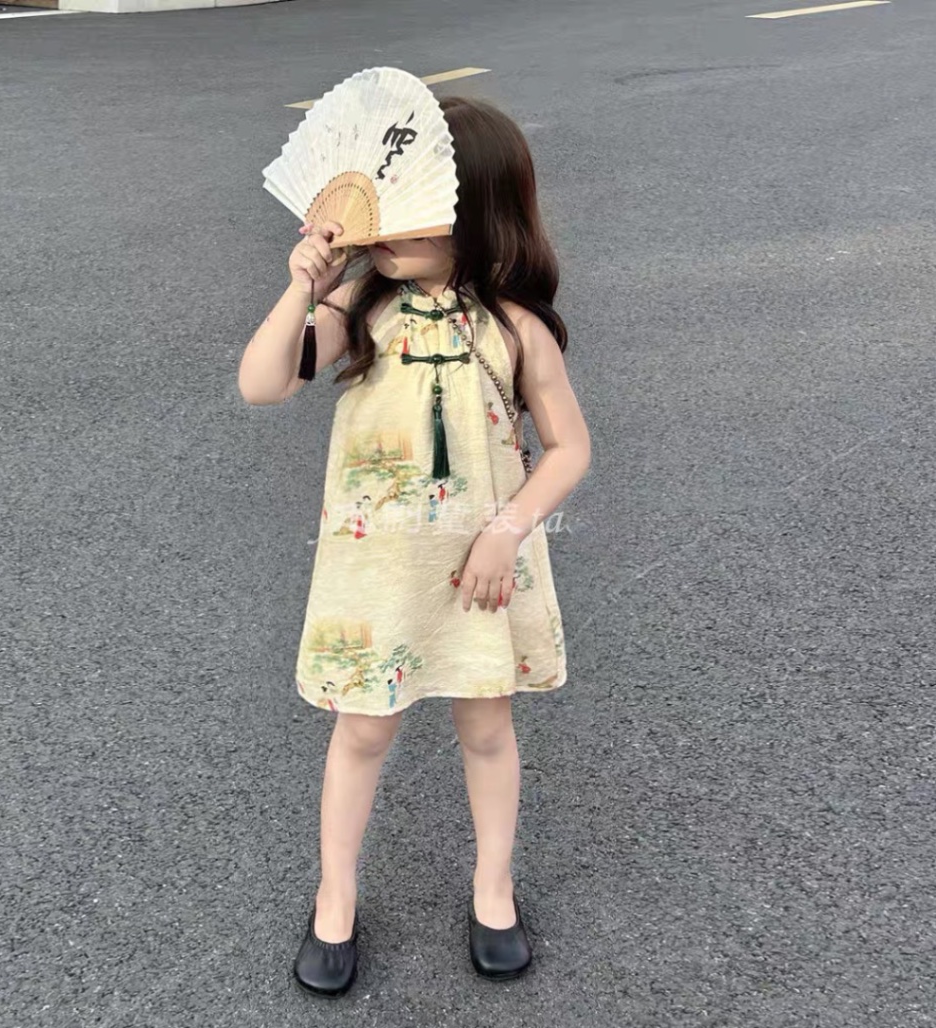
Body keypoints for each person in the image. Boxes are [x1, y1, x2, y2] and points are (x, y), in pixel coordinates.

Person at [239, 95, 591, 997]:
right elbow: (262, 384)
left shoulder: (513, 325)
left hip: (483, 569)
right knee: (362, 730)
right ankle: (336, 891)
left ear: (476, 211)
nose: (386, 226)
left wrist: (506, 533)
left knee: (487, 727)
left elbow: (570, 448)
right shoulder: (360, 308)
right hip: (378, 569)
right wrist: (302, 288)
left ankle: (493, 886)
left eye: (412, 205)